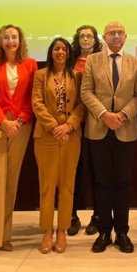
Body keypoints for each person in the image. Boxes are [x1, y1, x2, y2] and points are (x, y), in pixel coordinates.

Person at [80, 21, 137, 253]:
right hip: (99, 128)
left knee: (123, 183)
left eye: (120, 33)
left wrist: (123, 114)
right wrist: (104, 114)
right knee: (102, 182)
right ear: (105, 37)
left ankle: (122, 232)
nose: (116, 36)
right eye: (112, 33)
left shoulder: (136, 63)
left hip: (125, 129)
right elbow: (85, 91)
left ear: (125, 37)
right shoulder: (92, 60)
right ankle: (104, 232)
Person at [0, 25, 37, 262]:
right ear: (0, 41)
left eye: (14, 37)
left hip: (21, 126)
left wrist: (20, 120)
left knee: (10, 181)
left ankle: (5, 236)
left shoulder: (31, 64)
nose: (10, 41)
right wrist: (3, 121)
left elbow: (31, 96)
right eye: (6, 37)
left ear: (20, 40)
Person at [32, 37, 84, 254]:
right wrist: (54, 126)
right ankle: (47, 230)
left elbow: (82, 104)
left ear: (68, 53)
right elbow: (37, 102)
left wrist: (69, 126)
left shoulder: (77, 76)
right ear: (51, 52)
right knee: (47, 185)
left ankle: (62, 230)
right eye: (56, 49)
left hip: (71, 136)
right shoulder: (40, 75)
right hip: (46, 136)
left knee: (67, 185)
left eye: (64, 49)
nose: (60, 52)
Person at [68, 24, 102, 236]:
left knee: (96, 171)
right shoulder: (69, 61)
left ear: (96, 39)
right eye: (82, 36)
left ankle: (97, 217)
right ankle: (71, 216)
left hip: (96, 122)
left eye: (90, 36)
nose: (86, 39)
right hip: (72, 124)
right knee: (72, 172)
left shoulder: (101, 60)